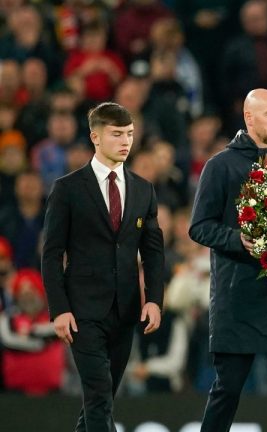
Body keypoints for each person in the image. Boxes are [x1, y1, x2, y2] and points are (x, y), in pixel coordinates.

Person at [189, 88, 267, 432]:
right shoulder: (221, 165)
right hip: (239, 295)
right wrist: (237, 239)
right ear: (249, 117)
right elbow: (199, 227)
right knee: (227, 389)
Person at [41, 102, 164, 431]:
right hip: (82, 312)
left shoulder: (143, 189)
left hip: (125, 312)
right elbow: (51, 254)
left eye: (130, 134)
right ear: (95, 136)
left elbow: (153, 251)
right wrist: (58, 309)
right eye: (117, 134)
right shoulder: (67, 189)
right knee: (98, 396)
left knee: (102, 398)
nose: (126, 141)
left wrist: (154, 299)